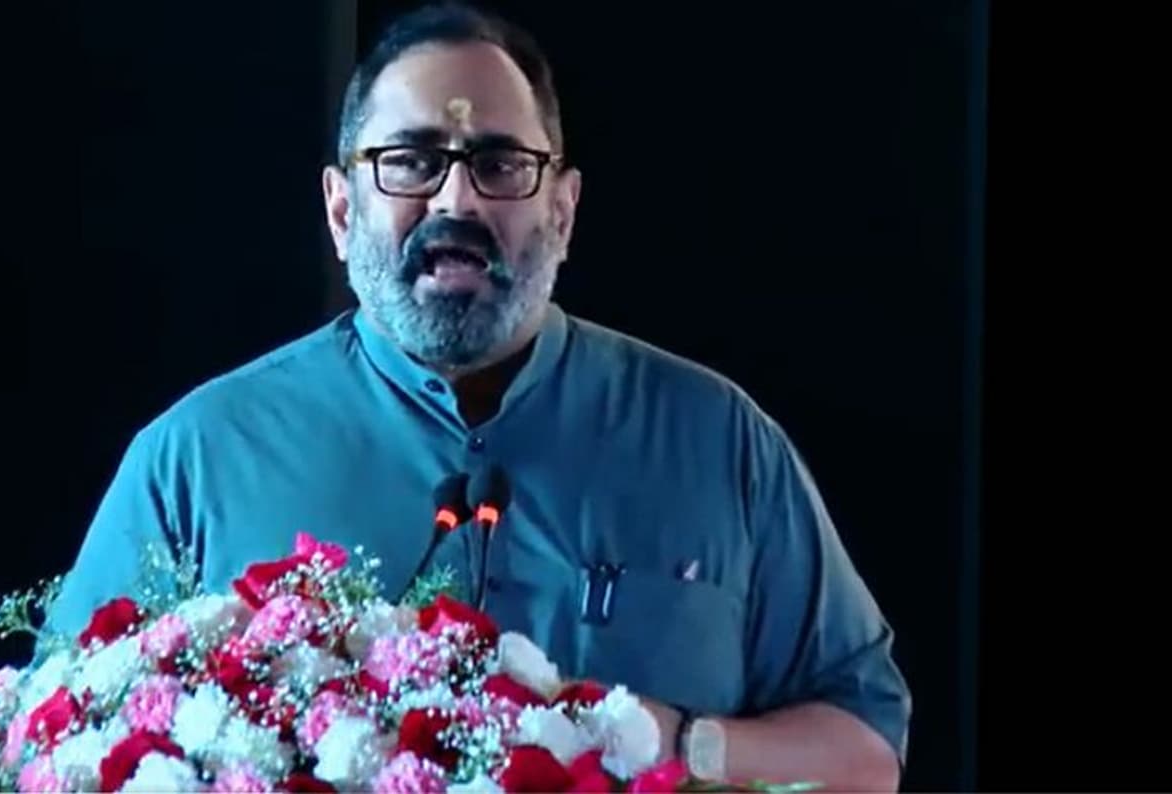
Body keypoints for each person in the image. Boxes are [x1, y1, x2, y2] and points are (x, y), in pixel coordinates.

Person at [46, 2, 910, 788]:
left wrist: (681, 744)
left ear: (563, 212)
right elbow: (51, 751)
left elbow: (867, 753)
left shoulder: (717, 444)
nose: (455, 199)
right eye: (411, 162)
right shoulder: (199, 460)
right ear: (342, 211)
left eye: (500, 164)